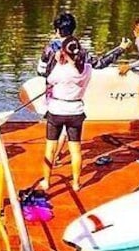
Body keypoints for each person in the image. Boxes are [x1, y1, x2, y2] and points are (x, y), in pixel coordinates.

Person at [38, 12, 130, 163]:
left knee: (56, 127)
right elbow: (99, 64)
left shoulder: (49, 48)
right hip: (73, 98)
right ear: (74, 30)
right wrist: (120, 48)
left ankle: (54, 157)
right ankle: (57, 156)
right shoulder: (79, 50)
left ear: (56, 30)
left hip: (53, 93)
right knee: (67, 129)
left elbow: (40, 70)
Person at [39, 36, 92, 192]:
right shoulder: (87, 69)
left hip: (57, 111)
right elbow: (81, 66)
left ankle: (47, 182)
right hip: (76, 111)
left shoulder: (61, 69)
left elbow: (49, 79)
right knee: (76, 149)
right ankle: (76, 183)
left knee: (50, 148)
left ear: (63, 52)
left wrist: (56, 60)